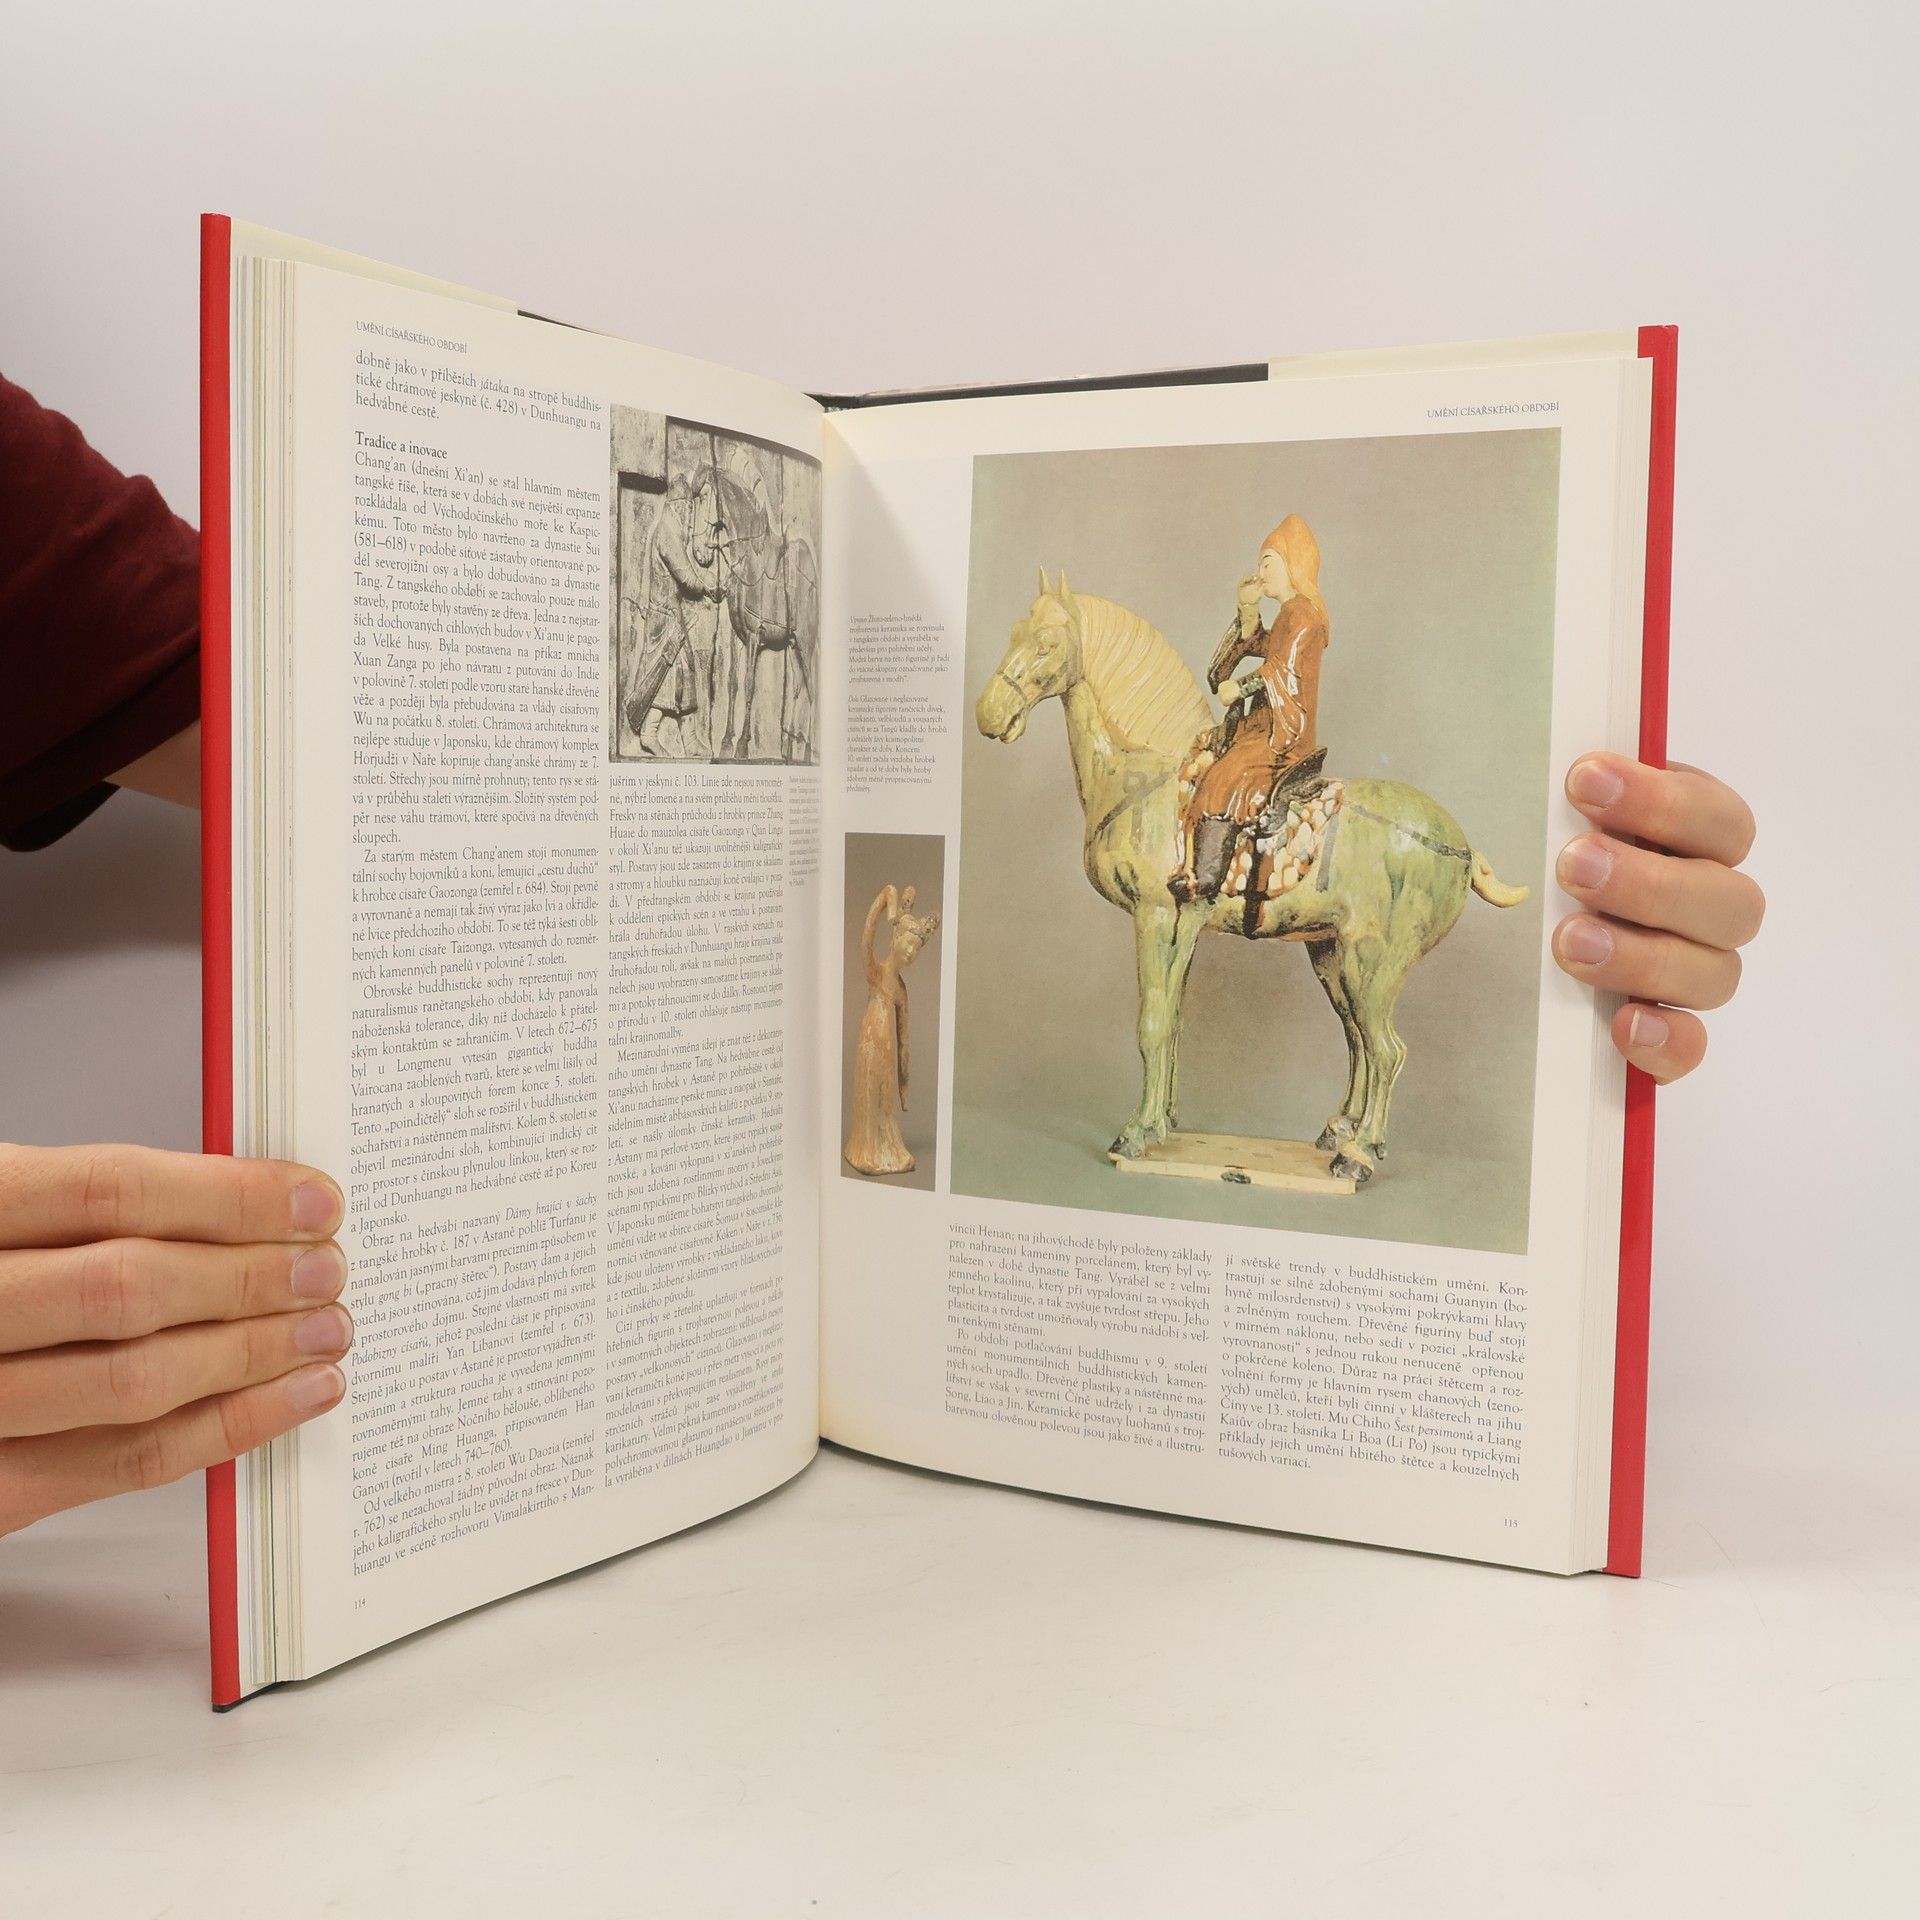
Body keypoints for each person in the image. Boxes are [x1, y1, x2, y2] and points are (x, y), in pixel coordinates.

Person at [0, 373, 1764, 1539]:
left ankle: (1251, 928)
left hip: (1266, 769)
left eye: (1258, 586)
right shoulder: (1245, 638)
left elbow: (330, 697)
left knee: (1230, 808)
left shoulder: (1283, 639)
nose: (1247, 598)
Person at [1171, 513, 1330, 903]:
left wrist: (1239, 688)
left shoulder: (1305, 616)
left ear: (1294, 565)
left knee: (1227, 774)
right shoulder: (1288, 614)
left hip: (1282, 732)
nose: (1261, 572)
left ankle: (1204, 877)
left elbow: (1283, 667)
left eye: (1269, 563)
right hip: (1260, 723)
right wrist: (1247, 609)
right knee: (1205, 751)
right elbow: (1260, 643)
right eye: (1261, 563)